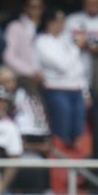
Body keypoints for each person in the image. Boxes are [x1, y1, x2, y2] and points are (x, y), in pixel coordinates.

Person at [35, 8, 89, 145]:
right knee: (61, 131)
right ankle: (59, 165)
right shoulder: (41, 42)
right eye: (57, 21)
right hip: (57, 90)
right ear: (48, 22)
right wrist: (77, 48)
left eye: (62, 21)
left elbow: (79, 69)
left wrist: (85, 92)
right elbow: (62, 66)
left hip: (77, 90)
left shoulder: (66, 40)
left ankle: (75, 164)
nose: (61, 24)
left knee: (78, 132)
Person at [3, 0, 45, 80]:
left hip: (49, 78)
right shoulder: (15, 27)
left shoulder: (48, 26)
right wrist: (30, 72)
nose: (36, 10)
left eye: (40, 7)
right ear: (25, 8)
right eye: (33, 7)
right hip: (24, 77)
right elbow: (9, 55)